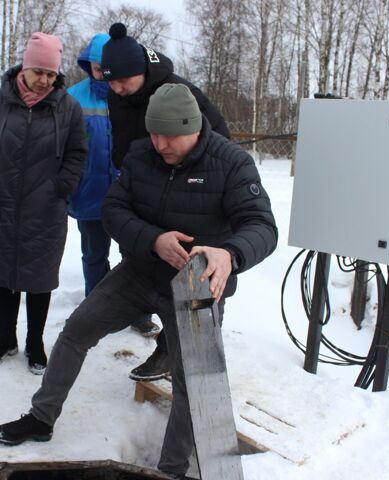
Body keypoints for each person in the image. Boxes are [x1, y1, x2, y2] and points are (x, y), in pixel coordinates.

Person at [0, 83, 278, 478]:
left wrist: (229, 253)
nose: (160, 143)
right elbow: (113, 209)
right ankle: (42, 416)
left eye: (170, 135)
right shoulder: (142, 155)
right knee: (76, 330)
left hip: (196, 287)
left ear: (194, 127)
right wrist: (152, 240)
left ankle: (171, 469)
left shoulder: (231, 163)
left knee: (190, 379)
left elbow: (262, 225)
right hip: (141, 272)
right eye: (154, 133)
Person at [100, 22, 231, 381]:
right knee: (143, 266)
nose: (115, 88)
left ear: (140, 70)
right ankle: (169, 344)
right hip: (142, 193)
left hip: (190, 197)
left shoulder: (180, 93)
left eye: (122, 80)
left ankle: (177, 353)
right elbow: (124, 138)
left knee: (188, 280)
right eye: (109, 81)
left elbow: (221, 144)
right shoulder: (119, 92)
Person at [0, 32, 87, 375]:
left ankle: (34, 342)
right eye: (38, 72)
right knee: (4, 273)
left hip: (46, 208)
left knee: (40, 277)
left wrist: (61, 187)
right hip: (3, 205)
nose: (44, 80)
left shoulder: (67, 107)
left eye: (50, 74)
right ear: (24, 68)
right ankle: (5, 338)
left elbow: (77, 152)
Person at [66, 33, 160, 338]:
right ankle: (96, 307)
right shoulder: (73, 98)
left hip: (127, 193)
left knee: (134, 253)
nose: (101, 72)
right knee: (94, 253)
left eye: (105, 66)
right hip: (89, 191)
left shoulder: (132, 96)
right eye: (95, 66)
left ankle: (139, 312)